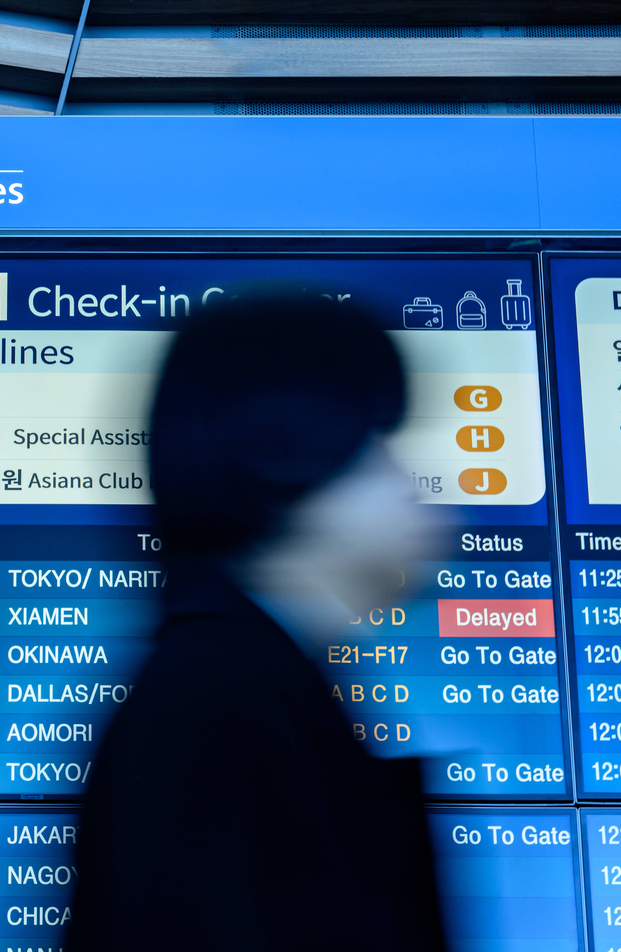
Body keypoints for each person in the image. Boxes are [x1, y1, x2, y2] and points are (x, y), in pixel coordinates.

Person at [66, 284, 450, 950]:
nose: (413, 485)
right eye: (377, 447)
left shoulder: (256, 679)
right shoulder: (213, 701)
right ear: (286, 456)